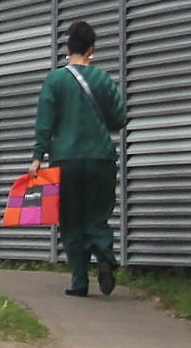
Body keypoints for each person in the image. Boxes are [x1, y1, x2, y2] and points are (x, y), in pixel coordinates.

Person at [33, 19, 127, 297]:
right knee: (97, 214)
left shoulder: (55, 80)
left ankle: (79, 281)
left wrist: (37, 157)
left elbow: (45, 122)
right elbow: (119, 119)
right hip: (100, 159)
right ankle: (104, 254)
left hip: (66, 160)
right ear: (91, 50)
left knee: (71, 219)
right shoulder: (103, 79)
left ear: (67, 48)